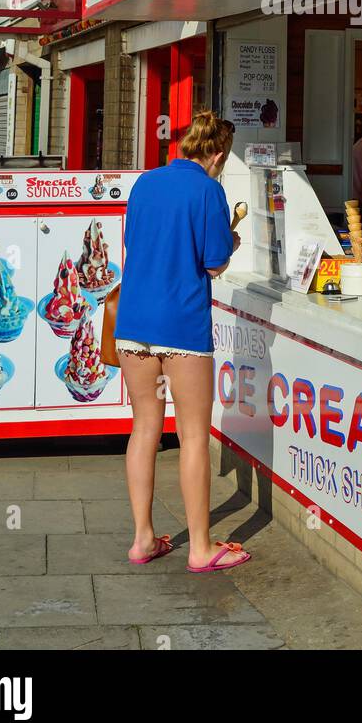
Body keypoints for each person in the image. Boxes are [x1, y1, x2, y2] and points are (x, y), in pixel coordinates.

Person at [114, 111, 251, 573]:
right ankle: (200, 547)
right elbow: (212, 265)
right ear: (215, 155)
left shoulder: (145, 184)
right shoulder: (209, 190)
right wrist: (229, 241)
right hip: (182, 327)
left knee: (144, 430)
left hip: (133, 324)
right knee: (192, 435)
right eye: (223, 162)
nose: (220, 169)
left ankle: (142, 540)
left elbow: (137, 245)